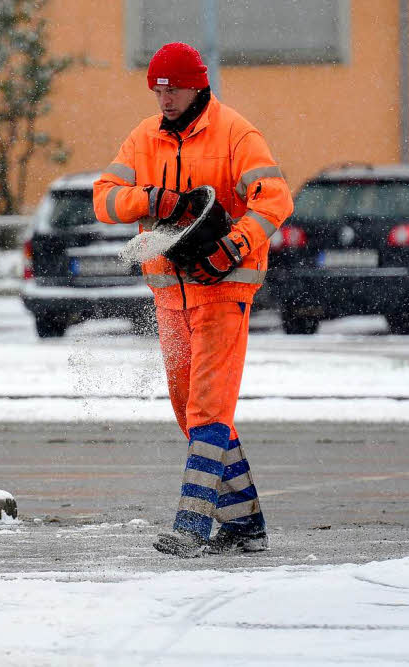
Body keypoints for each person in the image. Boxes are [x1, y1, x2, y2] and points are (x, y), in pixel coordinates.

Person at [93, 43, 293, 557]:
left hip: (225, 293)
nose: (164, 98)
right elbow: (105, 197)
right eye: (157, 89)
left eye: (174, 89)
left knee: (208, 409)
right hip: (169, 296)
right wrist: (153, 199)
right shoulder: (144, 138)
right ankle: (246, 528)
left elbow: (274, 198)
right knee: (191, 414)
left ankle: (192, 525)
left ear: (198, 86)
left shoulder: (235, 132)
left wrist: (233, 245)